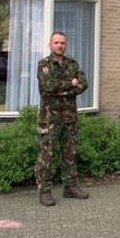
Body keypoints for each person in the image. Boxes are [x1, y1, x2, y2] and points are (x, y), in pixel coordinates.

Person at [35, 31, 89, 206]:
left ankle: (70, 187)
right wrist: (70, 84)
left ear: (66, 45)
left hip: (69, 118)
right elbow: (49, 86)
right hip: (49, 119)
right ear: (50, 45)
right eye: (56, 42)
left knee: (70, 153)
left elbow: (83, 84)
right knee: (46, 155)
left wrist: (63, 89)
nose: (60, 45)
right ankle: (44, 191)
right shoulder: (44, 64)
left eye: (62, 43)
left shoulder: (72, 64)